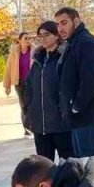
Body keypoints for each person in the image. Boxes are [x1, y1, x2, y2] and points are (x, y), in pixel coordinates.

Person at [58, 7, 94, 157]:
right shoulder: (74, 42)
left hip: (89, 115)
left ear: (76, 21)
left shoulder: (85, 43)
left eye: (64, 23)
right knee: (82, 164)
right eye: (58, 24)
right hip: (81, 118)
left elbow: (91, 80)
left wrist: (76, 106)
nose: (60, 28)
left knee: (89, 166)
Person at [25, 22, 72, 161]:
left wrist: (65, 111)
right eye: (40, 36)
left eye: (47, 35)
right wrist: (29, 111)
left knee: (69, 167)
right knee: (44, 169)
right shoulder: (38, 59)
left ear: (57, 35)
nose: (43, 38)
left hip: (62, 125)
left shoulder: (65, 58)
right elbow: (29, 87)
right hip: (40, 126)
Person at [3, 32, 33, 137]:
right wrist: (6, 85)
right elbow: (8, 68)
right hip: (19, 82)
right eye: (25, 38)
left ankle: (31, 127)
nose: (28, 40)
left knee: (30, 104)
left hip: (31, 82)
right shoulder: (14, 52)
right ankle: (27, 128)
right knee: (23, 105)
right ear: (19, 40)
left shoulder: (34, 51)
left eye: (29, 38)